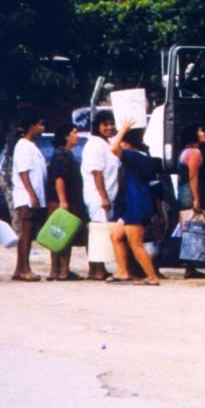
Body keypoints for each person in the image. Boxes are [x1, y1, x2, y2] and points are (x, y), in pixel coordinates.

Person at [107, 119, 162, 285]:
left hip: (137, 203)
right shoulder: (141, 157)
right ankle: (123, 271)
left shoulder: (135, 156)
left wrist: (122, 129)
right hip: (135, 203)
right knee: (116, 235)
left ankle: (151, 276)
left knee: (136, 243)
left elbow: (114, 148)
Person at [81, 110, 121, 281]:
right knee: (98, 232)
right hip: (97, 196)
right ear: (97, 126)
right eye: (105, 124)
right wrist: (103, 197)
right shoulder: (95, 144)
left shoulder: (108, 143)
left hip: (108, 196)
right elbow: (97, 172)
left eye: (112, 124)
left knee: (100, 232)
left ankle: (96, 269)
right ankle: (97, 270)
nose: (110, 127)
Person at [46, 123, 86, 281]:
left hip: (62, 200)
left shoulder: (63, 153)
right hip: (62, 201)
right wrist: (63, 200)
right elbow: (59, 177)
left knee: (57, 235)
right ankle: (63, 271)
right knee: (63, 235)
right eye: (74, 132)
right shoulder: (62, 153)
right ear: (66, 136)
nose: (77, 136)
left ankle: (55, 271)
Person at [10, 112, 48, 281]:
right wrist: (32, 195)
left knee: (29, 231)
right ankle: (25, 269)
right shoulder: (23, 145)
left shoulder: (32, 146)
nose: (42, 127)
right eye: (40, 124)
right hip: (27, 197)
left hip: (34, 196)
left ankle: (19, 269)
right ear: (31, 126)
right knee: (27, 231)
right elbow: (23, 172)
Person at [177, 124, 205, 278]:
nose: (203, 133)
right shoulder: (194, 152)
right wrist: (197, 199)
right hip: (192, 195)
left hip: (183, 195)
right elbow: (193, 177)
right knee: (196, 228)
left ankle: (191, 267)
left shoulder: (184, 152)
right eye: (200, 131)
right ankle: (193, 268)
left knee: (189, 229)